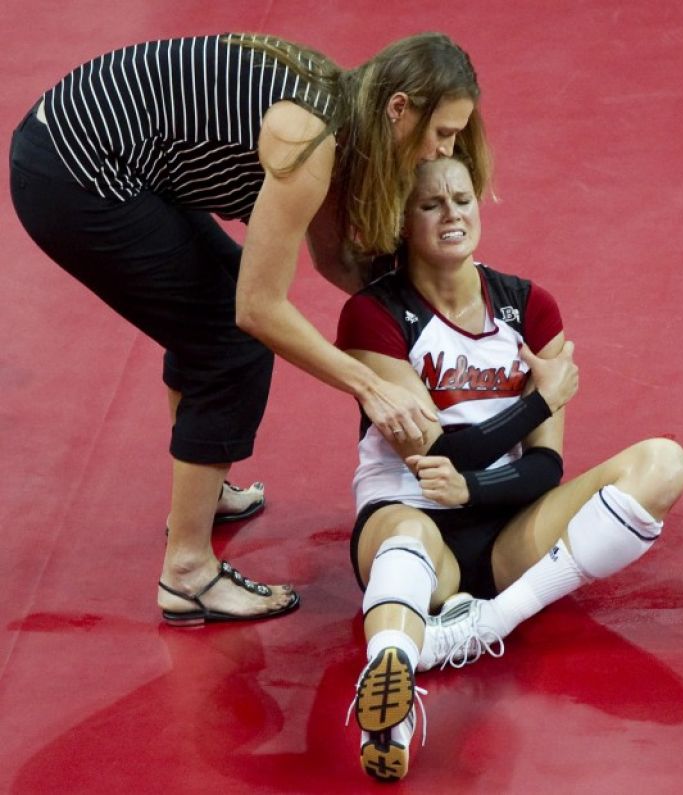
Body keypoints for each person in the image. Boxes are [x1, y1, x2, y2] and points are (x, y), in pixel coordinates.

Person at [9, 32, 489, 624]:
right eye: (442, 132)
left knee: (216, 293)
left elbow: (335, 257)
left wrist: (422, 329)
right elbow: (257, 310)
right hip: (72, 171)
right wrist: (371, 386)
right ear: (399, 108)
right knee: (229, 344)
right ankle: (188, 573)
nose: (443, 152)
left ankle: (201, 495)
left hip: (112, 154)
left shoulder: (345, 111)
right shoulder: (310, 137)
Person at [336, 156, 683, 781]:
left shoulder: (529, 307)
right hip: (407, 514)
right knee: (407, 534)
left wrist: (475, 488)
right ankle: (390, 711)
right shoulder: (373, 315)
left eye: (462, 199)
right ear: (401, 222)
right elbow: (437, 454)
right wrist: (539, 402)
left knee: (663, 464)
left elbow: (546, 467)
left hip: (508, 529)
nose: (452, 214)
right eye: (430, 205)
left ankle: (483, 625)